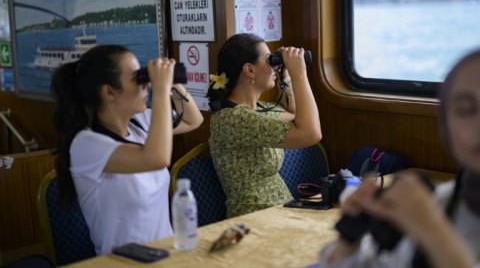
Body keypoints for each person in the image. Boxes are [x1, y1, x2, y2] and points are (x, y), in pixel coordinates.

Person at [319, 50, 480, 268]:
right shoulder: (441, 203)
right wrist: (350, 237)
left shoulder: (429, 216)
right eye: (466, 110)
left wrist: (433, 231)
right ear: (446, 128)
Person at [50, 44, 203, 255]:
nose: (146, 85)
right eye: (137, 78)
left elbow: (193, 120)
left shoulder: (140, 123)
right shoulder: (86, 145)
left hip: (165, 255)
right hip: (123, 262)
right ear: (109, 93)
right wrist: (160, 89)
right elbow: (156, 158)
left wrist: (173, 82)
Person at [207, 33, 322, 218]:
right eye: (270, 60)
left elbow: (294, 113)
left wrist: (287, 77)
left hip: (280, 211)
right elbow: (311, 134)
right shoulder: (232, 119)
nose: (275, 66)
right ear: (249, 70)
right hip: (254, 218)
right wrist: (300, 74)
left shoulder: (259, 110)